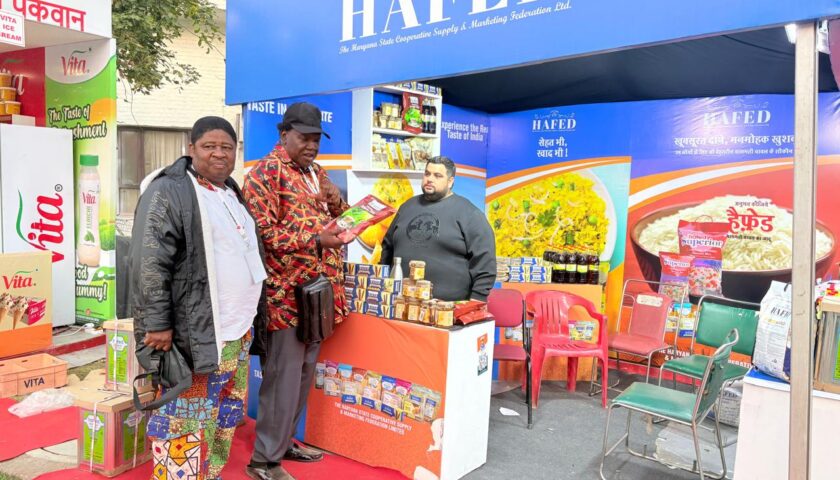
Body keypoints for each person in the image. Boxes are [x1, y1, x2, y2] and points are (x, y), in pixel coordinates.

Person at [129, 116, 268, 480]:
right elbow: (149, 260)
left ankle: (210, 473)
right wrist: (157, 322)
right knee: (185, 421)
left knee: (223, 414)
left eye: (227, 147)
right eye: (209, 146)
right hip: (196, 335)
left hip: (237, 332)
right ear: (191, 149)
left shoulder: (230, 191)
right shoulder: (169, 190)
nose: (219, 154)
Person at [243, 102, 351, 480]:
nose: (312, 145)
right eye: (304, 137)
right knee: (283, 378)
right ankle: (263, 460)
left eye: (316, 138)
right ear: (283, 134)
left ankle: (283, 441)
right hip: (285, 297)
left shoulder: (316, 173)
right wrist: (315, 238)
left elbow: (341, 219)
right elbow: (262, 234)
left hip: (319, 294)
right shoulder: (265, 174)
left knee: (303, 375)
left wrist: (336, 202)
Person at [381, 156, 496, 301]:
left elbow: (485, 263)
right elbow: (387, 248)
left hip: (448, 308)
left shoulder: (469, 214)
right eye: (427, 173)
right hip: (401, 302)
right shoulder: (407, 207)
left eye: (437, 175)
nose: (430, 179)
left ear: (450, 181)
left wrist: (476, 300)